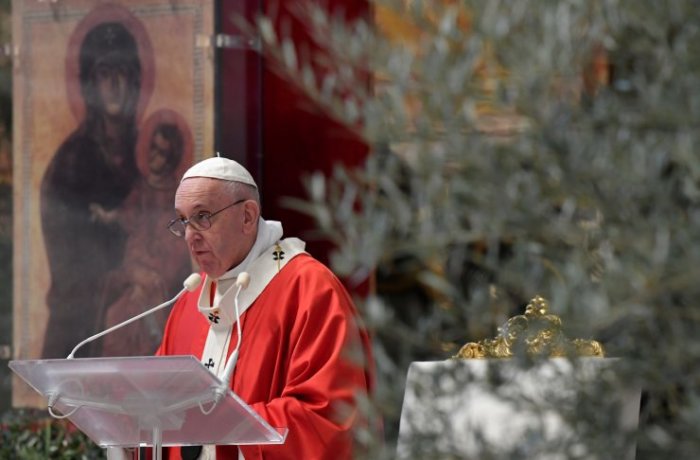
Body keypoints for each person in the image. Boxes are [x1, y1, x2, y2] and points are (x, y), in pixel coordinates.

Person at [156, 156, 376, 459]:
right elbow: (157, 402)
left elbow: (328, 416)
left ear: (248, 216)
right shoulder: (189, 302)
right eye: (182, 221)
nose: (191, 235)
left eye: (203, 216)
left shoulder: (308, 288)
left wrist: (223, 424)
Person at [40, 20, 143, 358]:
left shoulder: (150, 153)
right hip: (81, 327)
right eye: (104, 73)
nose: (114, 84)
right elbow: (71, 263)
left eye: (122, 72)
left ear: (135, 81)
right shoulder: (71, 163)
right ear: (91, 85)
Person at [90, 120, 192, 356]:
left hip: (159, 274)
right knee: (115, 316)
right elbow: (128, 214)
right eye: (153, 149)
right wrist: (107, 216)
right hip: (136, 266)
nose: (156, 156)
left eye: (163, 152)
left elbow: (177, 246)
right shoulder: (143, 187)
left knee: (141, 320)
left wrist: (150, 275)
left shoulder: (177, 195)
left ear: (172, 158)